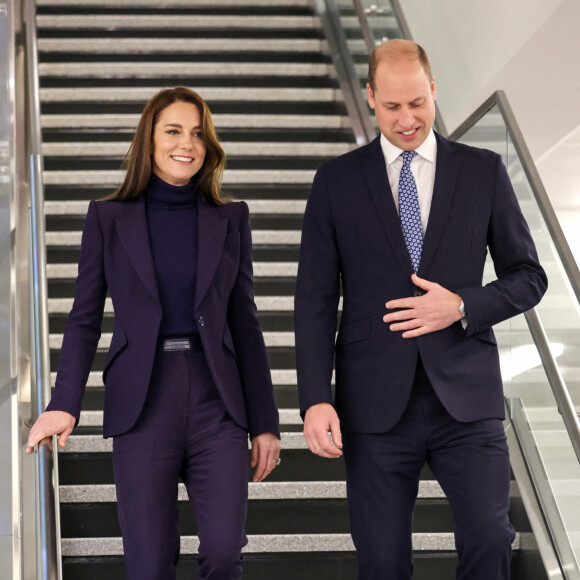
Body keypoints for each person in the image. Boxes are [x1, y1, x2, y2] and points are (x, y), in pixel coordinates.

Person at [294, 40, 547, 580]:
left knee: (490, 542)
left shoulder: (484, 171)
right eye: (391, 107)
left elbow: (530, 277)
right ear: (369, 98)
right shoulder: (335, 182)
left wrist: (461, 305)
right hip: (373, 405)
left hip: (467, 399)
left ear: (433, 89)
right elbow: (314, 299)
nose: (407, 119)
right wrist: (315, 399)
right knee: (382, 563)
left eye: (417, 103)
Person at [27, 86, 281, 580]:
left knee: (225, 550)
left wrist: (265, 421)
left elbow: (245, 323)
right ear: (149, 140)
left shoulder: (231, 219)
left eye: (197, 133)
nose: (186, 143)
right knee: (148, 563)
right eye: (173, 131)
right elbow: (83, 318)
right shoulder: (108, 217)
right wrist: (64, 402)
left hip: (217, 401)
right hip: (143, 402)